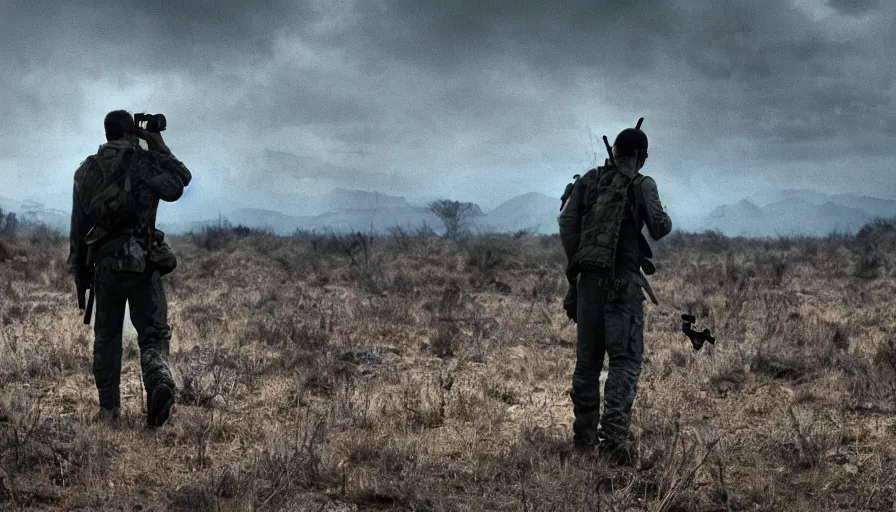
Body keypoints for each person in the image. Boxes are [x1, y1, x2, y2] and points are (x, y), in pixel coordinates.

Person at [68, 110, 191, 427]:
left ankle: (108, 412)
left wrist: (81, 275)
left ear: (108, 132)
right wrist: (158, 144)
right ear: (130, 131)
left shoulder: (86, 171)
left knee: (106, 338)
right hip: (143, 265)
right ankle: (157, 384)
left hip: (104, 268)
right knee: (152, 334)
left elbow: (79, 229)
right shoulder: (145, 161)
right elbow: (180, 182)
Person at [557, 126, 672, 462]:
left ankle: (583, 441)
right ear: (641, 156)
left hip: (588, 285)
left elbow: (566, 223)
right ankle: (613, 442)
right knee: (624, 362)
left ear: (615, 150)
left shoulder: (589, 180)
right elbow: (659, 227)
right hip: (622, 287)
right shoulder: (641, 183)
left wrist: (578, 264)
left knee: (587, 364)